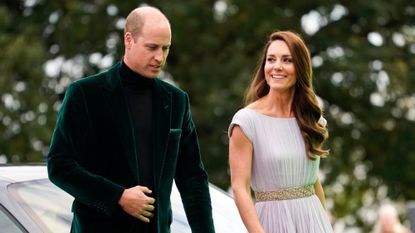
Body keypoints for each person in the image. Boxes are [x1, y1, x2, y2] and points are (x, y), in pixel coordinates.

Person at [47, 6, 215, 233]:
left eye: (165, 48)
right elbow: (60, 166)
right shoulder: (85, 94)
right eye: (152, 47)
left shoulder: (177, 101)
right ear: (129, 39)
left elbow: (193, 179)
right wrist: (118, 196)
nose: (160, 57)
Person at [228, 30, 333, 232]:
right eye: (271, 59)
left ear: (300, 67)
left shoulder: (311, 118)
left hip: (314, 222)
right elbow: (239, 188)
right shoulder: (246, 121)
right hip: (271, 223)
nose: (277, 66)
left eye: (287, 60)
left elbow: (313, 181)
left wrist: (326, 225)